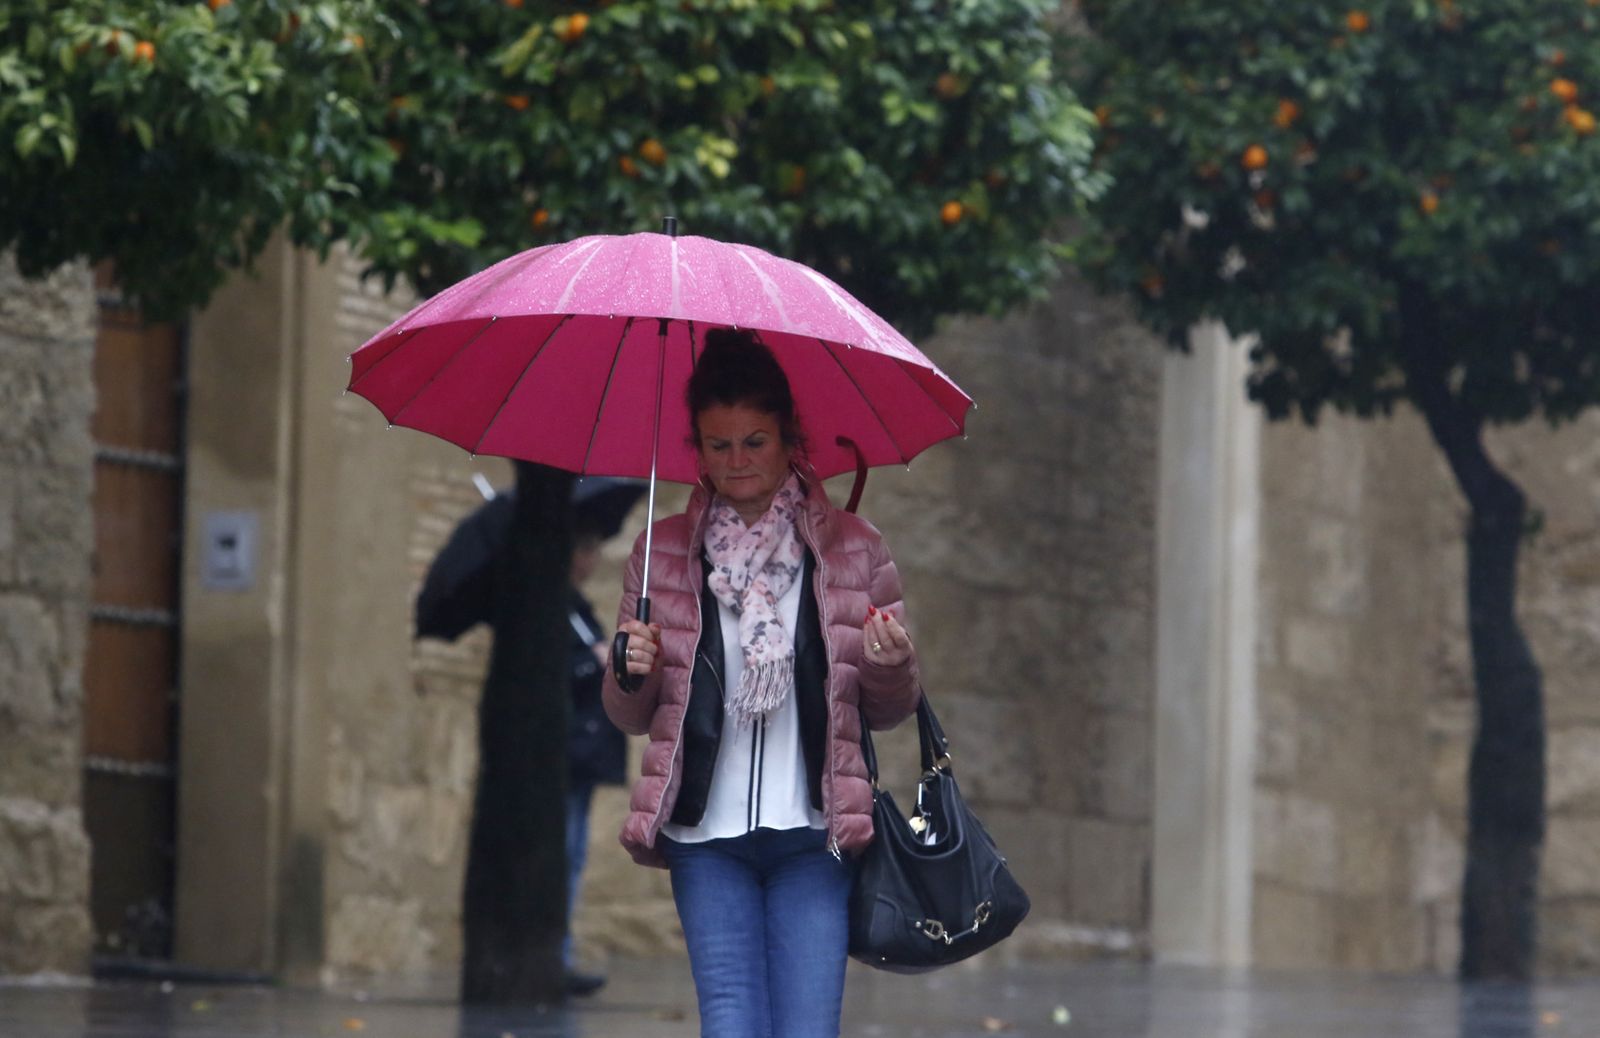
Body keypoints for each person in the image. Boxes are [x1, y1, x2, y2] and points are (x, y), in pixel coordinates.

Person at [602, 328, 922, 1037]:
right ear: (698, 447)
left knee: (808, 1028)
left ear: (787, 438)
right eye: (719, 445)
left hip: (815, 835)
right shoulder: (661, 554)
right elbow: (630, 713)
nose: (738, 462)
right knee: (730, 1026)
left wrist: (889, 663)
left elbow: (887, 708)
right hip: (705, 837)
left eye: (755, 441)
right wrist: (630, 668)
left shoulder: (853, 547)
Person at [561, 519, 628, 996]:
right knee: (565, 851)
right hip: (565, 750)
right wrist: (594, 661)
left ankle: (560, 952)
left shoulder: (576, 609)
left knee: (574, 853)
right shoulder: (551, 607)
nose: (592, 560)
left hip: (583, 754)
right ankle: (553, 954)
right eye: (583, 548)